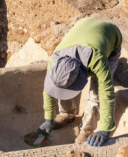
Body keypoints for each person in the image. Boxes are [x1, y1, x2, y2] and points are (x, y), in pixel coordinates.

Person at [35, 17, 122, 147]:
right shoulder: (56, 59)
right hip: (84, 24)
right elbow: (48, 91)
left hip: (110, 36)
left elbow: (106, 93)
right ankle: (67, 114)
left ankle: (87, 130)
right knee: (61, 84)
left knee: (96, 93)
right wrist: (49, 119)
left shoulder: (97, 59)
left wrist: (105, 129)